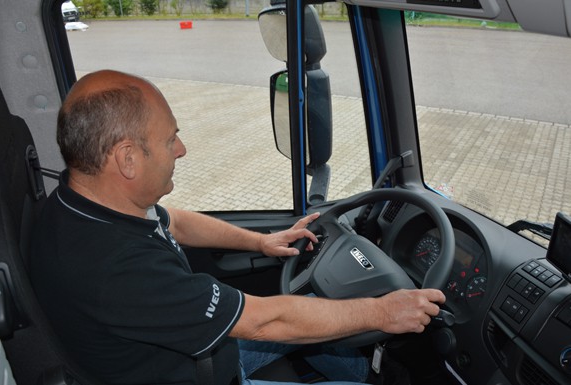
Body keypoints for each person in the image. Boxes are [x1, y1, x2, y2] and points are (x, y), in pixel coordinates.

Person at [30, 70, 446, 385]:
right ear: (127, 159)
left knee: (333, 328)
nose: (181, 149)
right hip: (205, 372)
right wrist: (382, 310)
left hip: (196, 348)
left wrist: (263, 242)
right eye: (169, 139)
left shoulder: (84, 198)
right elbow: (265, 323)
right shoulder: (113, 266)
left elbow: (173, 221)